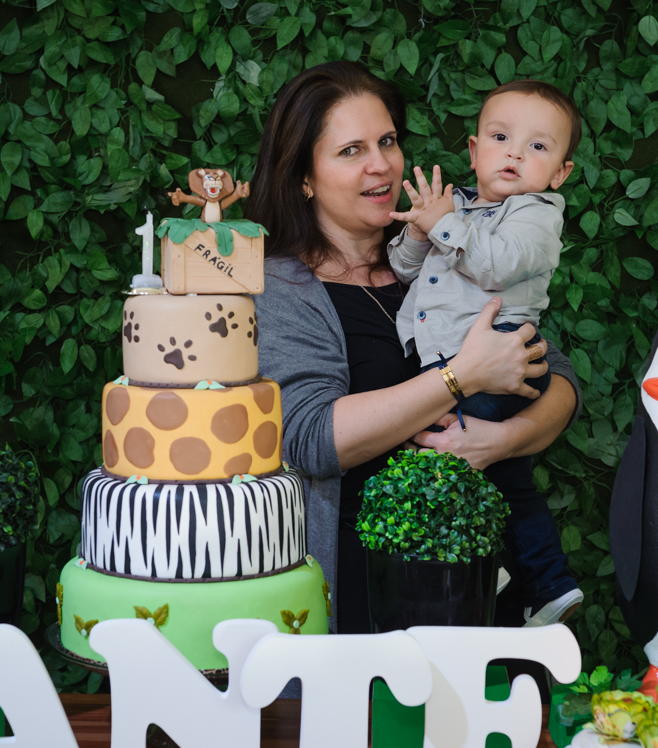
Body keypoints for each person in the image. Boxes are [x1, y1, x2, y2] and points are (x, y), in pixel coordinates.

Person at [248, 61, 583, 634]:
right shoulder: (279, 287)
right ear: (305, 177)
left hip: (473, 586)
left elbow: (555, 375)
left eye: (387, 141)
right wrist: (461, 378)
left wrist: (501, 442)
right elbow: (310, 439)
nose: (380, 164)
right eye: (351, 151)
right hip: (365, 595)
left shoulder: (435, 255)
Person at [385, 80, 583, 627]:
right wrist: (426, 225)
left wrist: (444, 225)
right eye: (500, 137)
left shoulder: (537, 215)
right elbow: (404, 270)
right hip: (457, 368)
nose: (516, 153)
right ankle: (547, 586)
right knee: (508, 479)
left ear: (560, 172)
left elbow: (496, 264)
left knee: (435, 459)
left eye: (539, 147)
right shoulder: (461, 212)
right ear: (474, 152)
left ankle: (480, 562)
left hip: (503, 364)